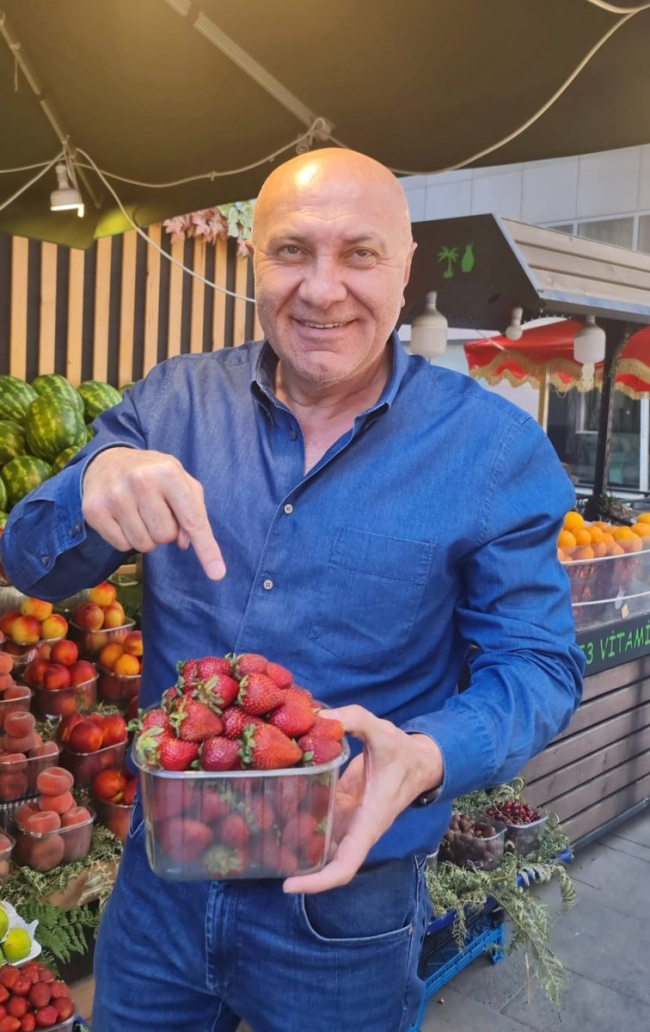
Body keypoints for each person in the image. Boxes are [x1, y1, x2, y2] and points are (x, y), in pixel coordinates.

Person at [0, 148, 584, 1032]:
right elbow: (30, 562)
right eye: (291, 251)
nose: (321, 289)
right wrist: (94, 481)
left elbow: (538, 665)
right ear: (254, 260)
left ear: (405, 267)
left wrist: (429, 753)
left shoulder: (493, 451)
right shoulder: (172, 403)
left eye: (359, 254)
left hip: (346, 907)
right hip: (161, 883)